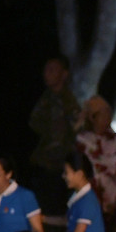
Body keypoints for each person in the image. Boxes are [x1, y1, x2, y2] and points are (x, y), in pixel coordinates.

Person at [75, 94, 116, 232]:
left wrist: (103, 163)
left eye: (108, 114)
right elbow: (92, 163)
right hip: (93, 197)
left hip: (113, 199)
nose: (107, 118)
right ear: (93, 117)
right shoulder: (83, 139)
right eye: (102, 114)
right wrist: (106, 163)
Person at [28, 56, 81, 214]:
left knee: (57, 210)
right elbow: (34, 124)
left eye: (52, 70)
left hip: (62, 166)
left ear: (64, 74)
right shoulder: (45, 98)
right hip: (43, 165)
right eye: (46, 70)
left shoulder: (68, 100)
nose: (47, 74)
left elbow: (78, 128)